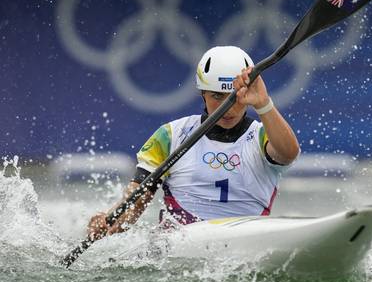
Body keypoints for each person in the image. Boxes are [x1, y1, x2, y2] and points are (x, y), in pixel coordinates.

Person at [87, 46, 300, 240]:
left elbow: (288, 154)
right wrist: (112, 222)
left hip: (245, 240)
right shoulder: (171, 136)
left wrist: (263, 104)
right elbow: (139, 197)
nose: (227, 107)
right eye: (217, 96)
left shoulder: (265, 134)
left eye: (235, 97)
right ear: (202, 93)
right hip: (180, 242)